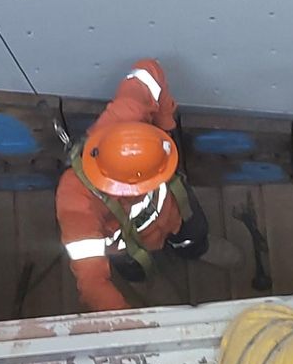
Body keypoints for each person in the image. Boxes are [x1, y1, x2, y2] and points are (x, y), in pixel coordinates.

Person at [55, 59, 210, 312]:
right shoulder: (75, 201)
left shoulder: (126, 114)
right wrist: (125, 320)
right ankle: (149, 283)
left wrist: (165, 126)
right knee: (137, 270)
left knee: (195, 233)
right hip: (131, 248)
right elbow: (93, 284)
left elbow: (150, 70)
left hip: (174, 210)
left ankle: (195, 249)